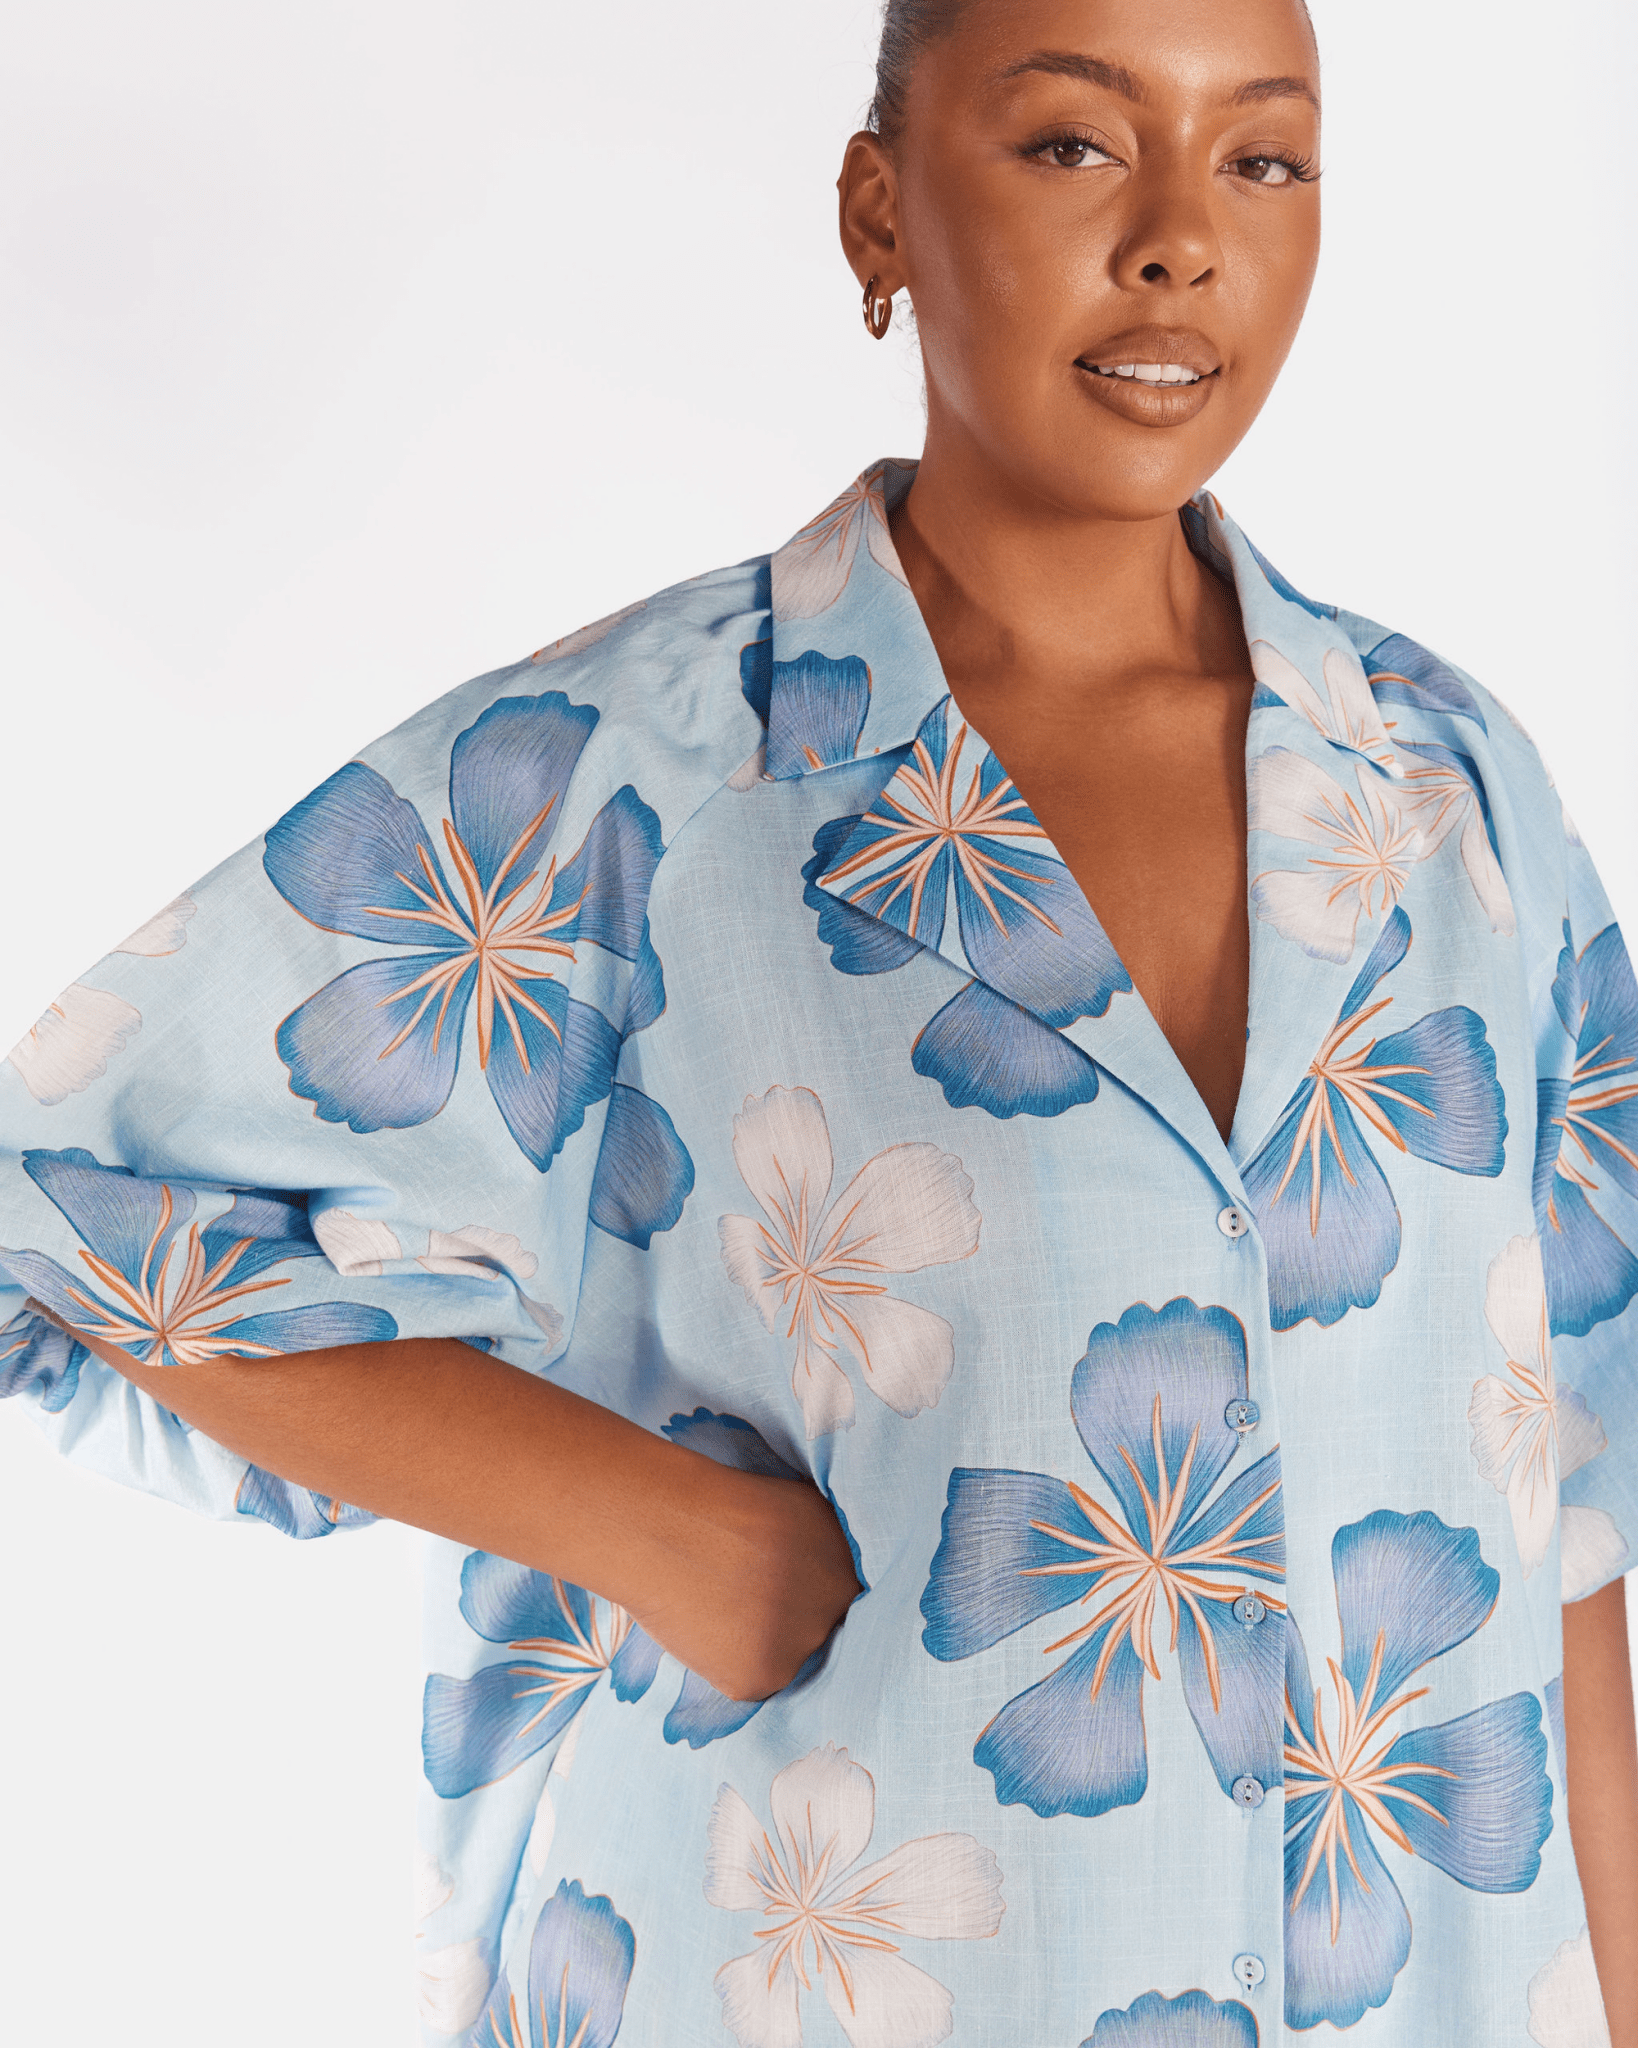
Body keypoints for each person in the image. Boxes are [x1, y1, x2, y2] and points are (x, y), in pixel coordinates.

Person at [3, 0, 1634, 2039]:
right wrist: (654, 1529)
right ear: (879, 211)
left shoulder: (1451, 794)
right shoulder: (637, 776)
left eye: (1262, 159)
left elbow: (1569, 1518)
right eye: (1073, 145)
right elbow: (64, 1211)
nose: (1178, 238)